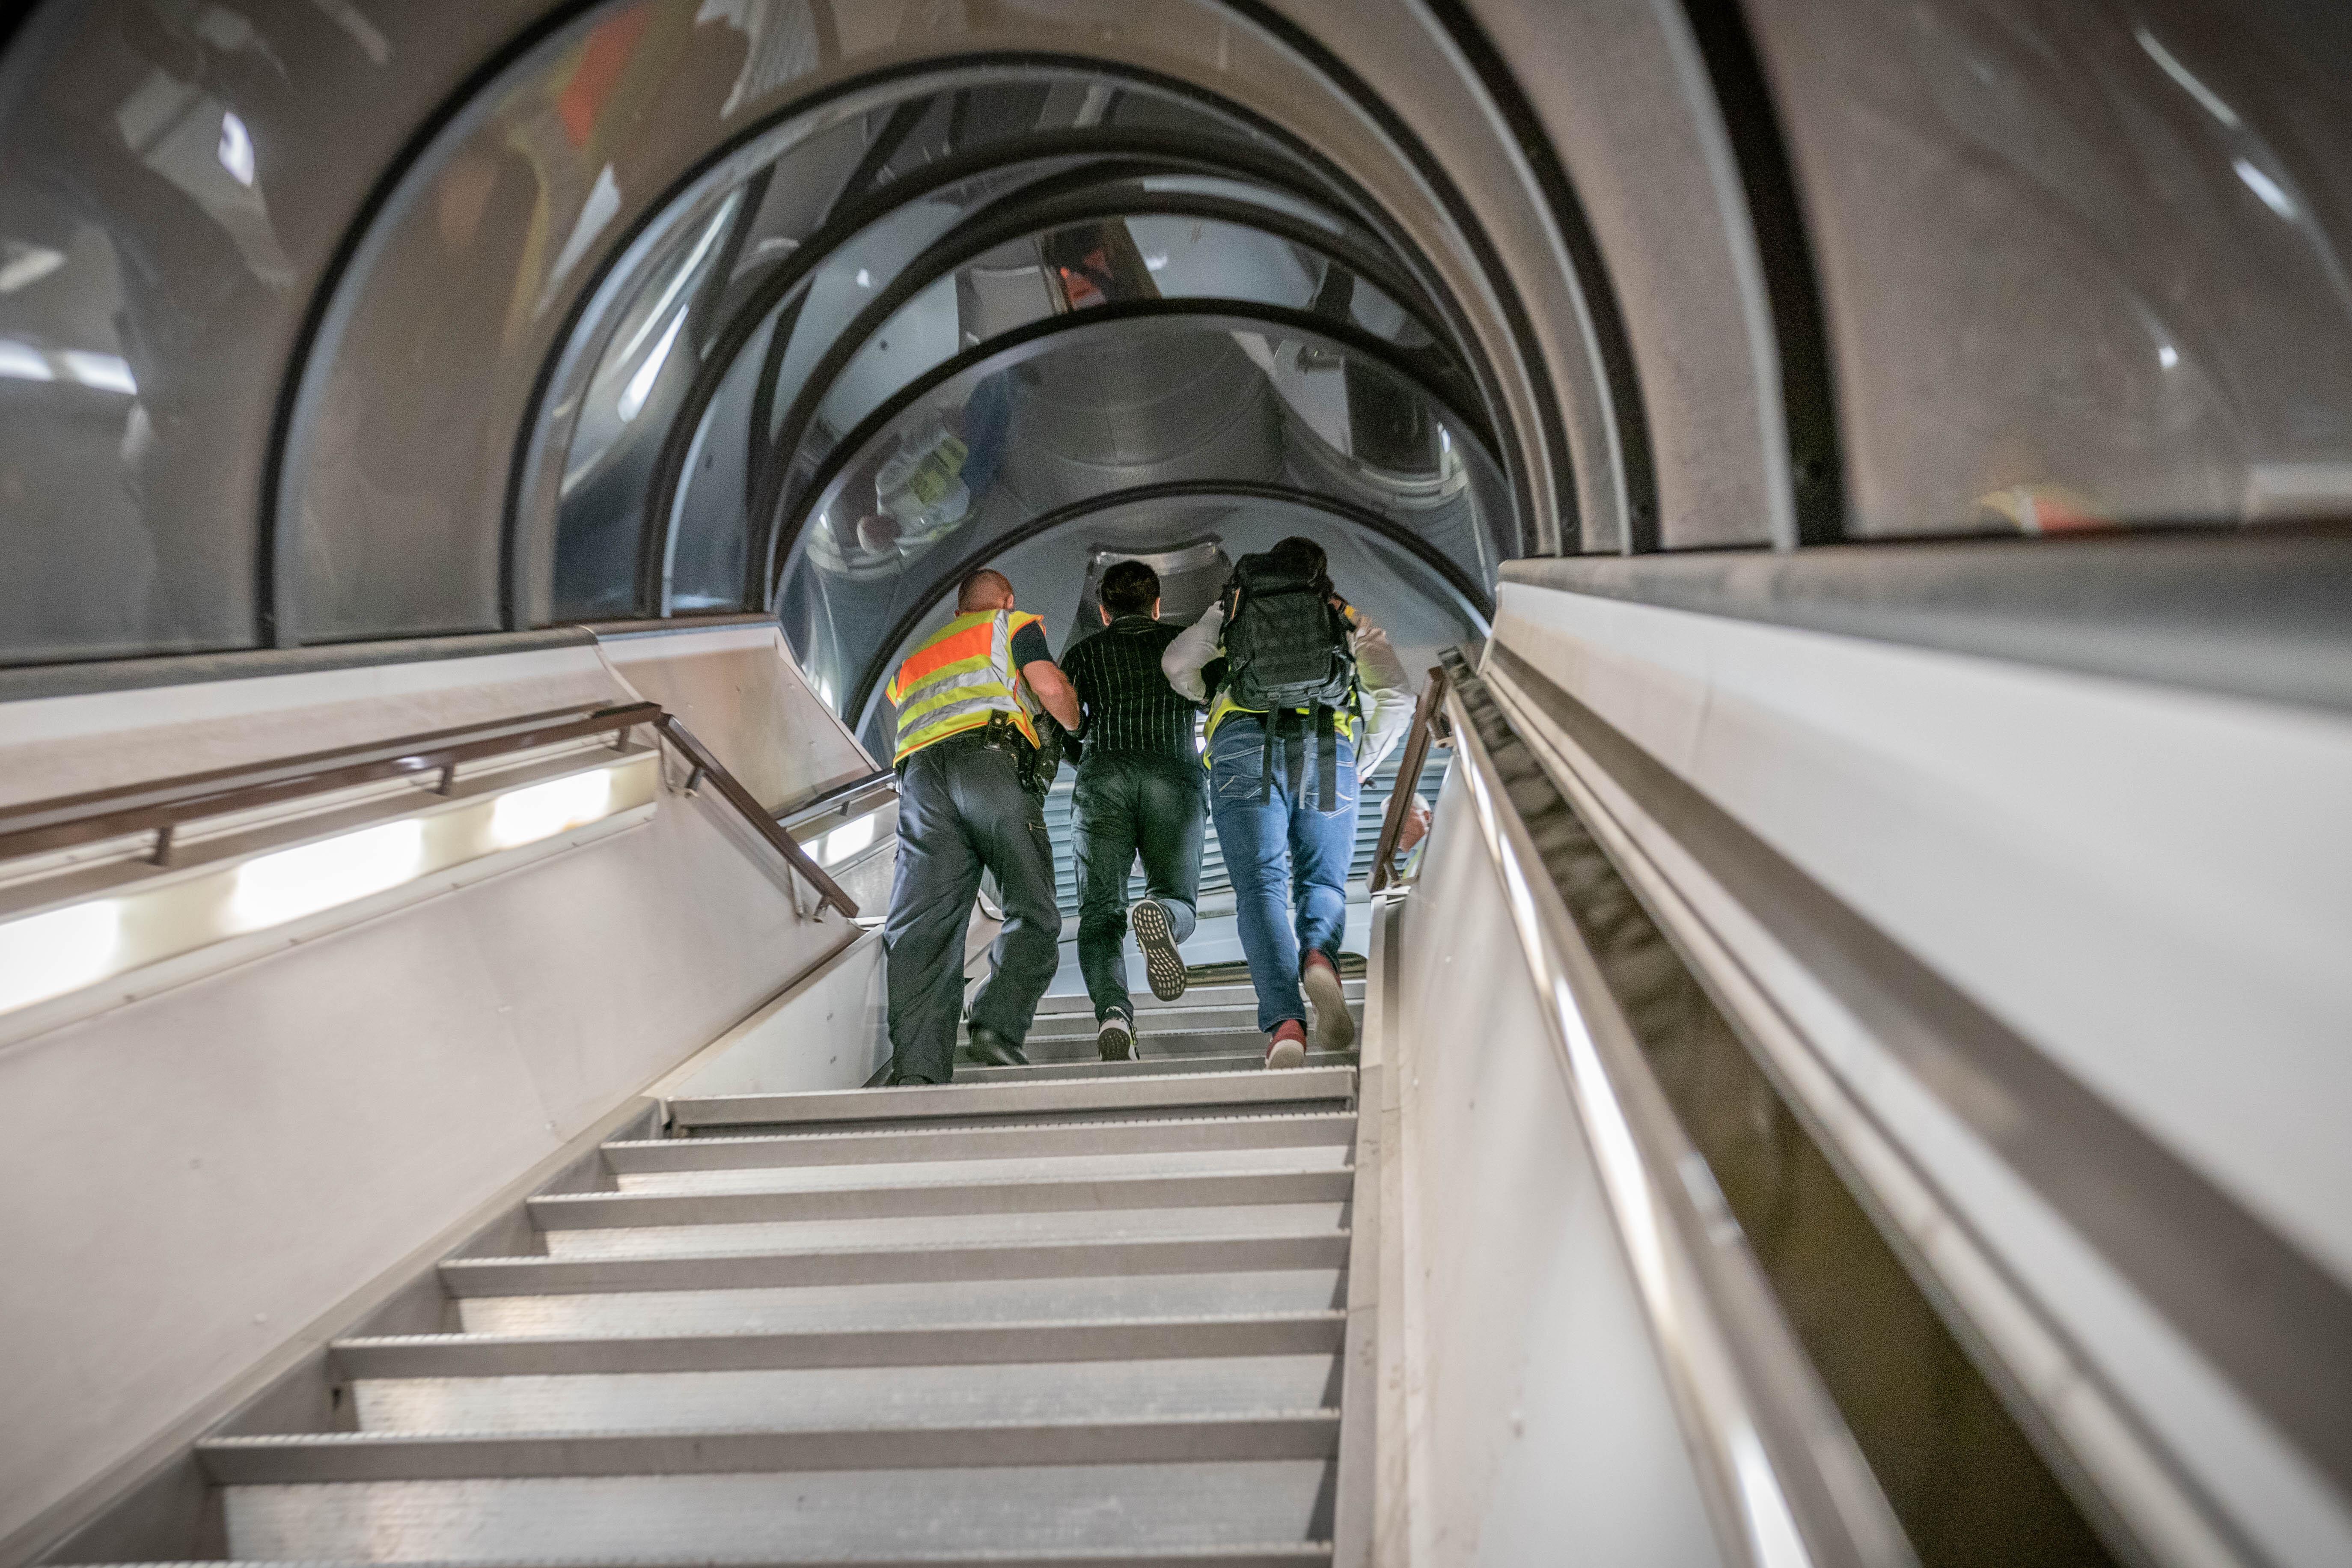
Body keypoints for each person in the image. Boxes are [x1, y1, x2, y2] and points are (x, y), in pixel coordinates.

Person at [1164, 536, 1414, 1068]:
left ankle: (1284, 1024)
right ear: (1317, 573)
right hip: (1328, 747)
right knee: (1321, 883)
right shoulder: (1339, 613)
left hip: (1241, 748)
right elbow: (1396, 696)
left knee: (1260, 888)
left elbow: (1177, 662)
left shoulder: (1231, 607)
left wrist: (1206, 693)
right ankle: (1320, 956)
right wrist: (1358, 762)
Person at [880, 567, 1081, 1084]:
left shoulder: (914, 661)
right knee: (1032, 906)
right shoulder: (1009, 624)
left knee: (921, 928)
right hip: (988, 766)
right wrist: (1074, 719)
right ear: (1006, 600)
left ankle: (918, 1073)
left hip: (920, 782)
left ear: (956, 611)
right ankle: (995, 1025)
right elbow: (1050, 687)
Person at [1060, 559, 1207, 1060]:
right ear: (1157, 604)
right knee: (1178, 896)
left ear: (1103, 613)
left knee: (1100, 912)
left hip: (1104, 779)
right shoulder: (1182, 643)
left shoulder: (1084, 653)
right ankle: (1162, 917)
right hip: (1173, 773)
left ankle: (1113, 1015)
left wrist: (1091, 757)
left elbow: (1061, 722)